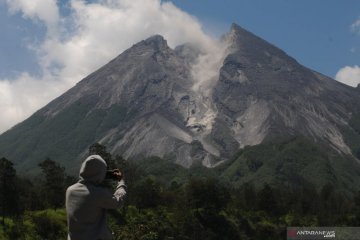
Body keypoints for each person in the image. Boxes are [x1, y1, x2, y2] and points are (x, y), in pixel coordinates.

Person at [66, 155, 126, 240]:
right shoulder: (98, 193)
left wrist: (106, 174)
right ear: (100, 173)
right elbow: (118, 202)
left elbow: (89, 177)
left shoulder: (70, 190)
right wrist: (121, 182)